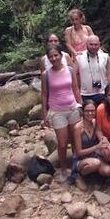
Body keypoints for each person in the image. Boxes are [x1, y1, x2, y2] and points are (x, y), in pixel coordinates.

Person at [41, 46, 82, 179]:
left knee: (76, 141)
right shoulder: (46, 75)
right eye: (51, 57)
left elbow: (75, 89)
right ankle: (64, 169)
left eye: (56, 55)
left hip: (72, 109)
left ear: (61, 55)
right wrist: (44, 114)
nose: (54, 58)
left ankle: (77, 165)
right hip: (57, 112)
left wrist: (81, 105)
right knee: (62, 143)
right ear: (48, 58)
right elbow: (44, 95)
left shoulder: (70, 70)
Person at [72, 100, 110, 183]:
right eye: (87, 111)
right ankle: (80, 176)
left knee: (108, 171)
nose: (90, 113)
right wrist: (97, 147)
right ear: (83, 111)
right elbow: (78, 152)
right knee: (96, 163)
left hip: (95, 155)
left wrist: (104, 140)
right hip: (81, 159)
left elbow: (101, 134)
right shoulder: (78, 128)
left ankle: (95, 175)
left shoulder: (95, 123)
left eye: (92, 111)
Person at [75, 35, 110, 106]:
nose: (93, 47)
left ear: (99, 44)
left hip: (102, 92)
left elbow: (109, 74)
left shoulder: (105, 57)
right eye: (91, 44)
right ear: (87, 44)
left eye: (96, 45)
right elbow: (75, 75)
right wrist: (77, 92)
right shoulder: (79, 57)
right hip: (85, 94)